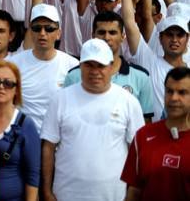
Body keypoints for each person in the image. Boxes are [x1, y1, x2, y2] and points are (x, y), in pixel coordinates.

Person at [40, 38, 144, 201]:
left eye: (100, 65)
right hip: (66, 195)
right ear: (80, 66)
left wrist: (132, 195)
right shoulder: (60, 99)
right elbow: (48, 147)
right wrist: (46, 191)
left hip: (115, 196)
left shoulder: (128, 102)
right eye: (89, 65)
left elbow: (137, 152)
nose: (95, 71)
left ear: (111, 66)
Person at [121, 0, 189, 119]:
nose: (175, 40)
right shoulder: (149, 62)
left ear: (187, 38)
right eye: (169, 34)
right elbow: (129, 23)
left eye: (180, 35)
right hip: (155, 132)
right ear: (160, 38)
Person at [64, 11, 154, 120]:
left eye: (112, 32)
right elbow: (65, 117)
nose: (106, 37)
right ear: (93, 35)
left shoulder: (141, 77)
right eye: (101, 32)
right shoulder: (73, 76)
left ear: (122, 36)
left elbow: (145, 123)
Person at [121, 66, 190, 200]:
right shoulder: (142, 136)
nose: (174, 98)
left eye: (182, 92)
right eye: (169, 91)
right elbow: (134, 190)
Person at [11, 4, 79, 131]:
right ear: (30, 32)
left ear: (58, 33)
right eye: (37, 28)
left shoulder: (73, 66)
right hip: (23, 136)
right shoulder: (14, 64)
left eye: (49, 29)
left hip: (59, 136)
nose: (42, 33)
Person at [0, 60, 40, 201]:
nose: (1, 87)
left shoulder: (26, 124)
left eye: (8, 83)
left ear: (16, 90)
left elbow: (32, 175)